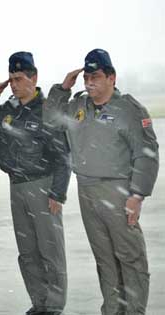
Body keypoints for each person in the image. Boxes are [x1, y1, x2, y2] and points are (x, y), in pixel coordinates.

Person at [44, 49, 159, 315]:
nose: (89, 82)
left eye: (95, 76)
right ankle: (112, 309)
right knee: (104, 258)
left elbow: (146, 154)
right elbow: (50, 121)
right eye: (86, 76)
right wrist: (62, 89)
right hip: (86, 189)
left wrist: (137, 195)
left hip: (118, 190)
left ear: (111, 77)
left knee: (130, 257)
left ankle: (134, 311)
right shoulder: (78, 106)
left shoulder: (128, 109)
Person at [0, 52, 71, 315]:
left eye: (19, 78)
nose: (14, 84)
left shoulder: (46, 110)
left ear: (34, 77)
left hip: (43, 185)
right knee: (28, 250)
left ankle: (54, 305)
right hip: (16, 186)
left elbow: (62, 156)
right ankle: (39, 301)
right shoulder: (7, 111)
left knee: (50, 249)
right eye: (10, 79)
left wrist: (58, 193)